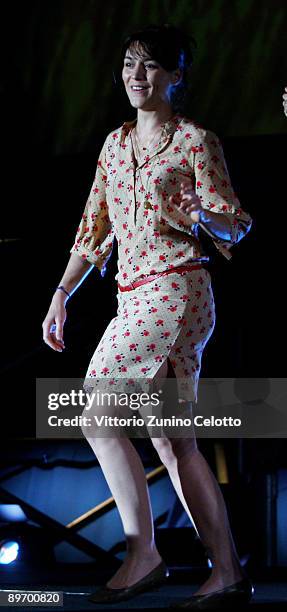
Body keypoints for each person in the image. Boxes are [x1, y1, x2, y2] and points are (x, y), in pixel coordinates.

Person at [42, 24, 254, 609]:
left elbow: (234, 224)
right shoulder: (113, 147)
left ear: (176, 76)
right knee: (171, 439)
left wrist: (200, 216)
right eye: (131, 65)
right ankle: (228, 572)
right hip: (132, 294)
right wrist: (61, 293)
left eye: (153, 66)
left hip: (178, 287)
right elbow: (93, 233)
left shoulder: (195, 141)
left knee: (96, 414)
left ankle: (143, 554)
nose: (138, 76)